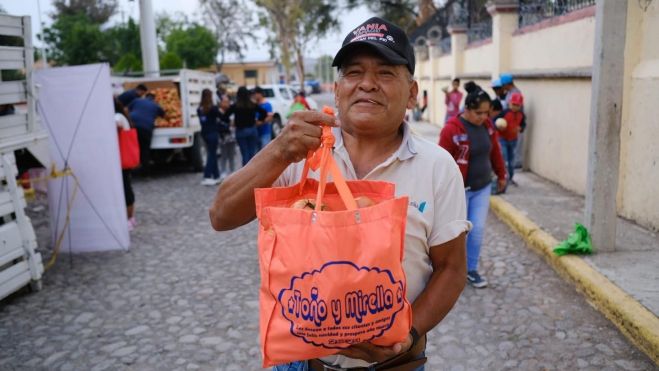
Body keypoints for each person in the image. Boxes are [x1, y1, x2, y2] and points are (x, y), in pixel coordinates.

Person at [210, 16, 470, 370]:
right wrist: (279, 152)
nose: (367, 84)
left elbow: (452, 270)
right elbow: (221, 216)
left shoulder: (437, 167)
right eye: (353, 72)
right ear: (337, 89)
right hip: (302, 363)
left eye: (385, 73)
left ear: (412, 93)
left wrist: (406, 334)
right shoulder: (299, 152)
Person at [439, 90, 507, 289]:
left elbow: (495, 152)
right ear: (467, 109)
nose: (483, 117)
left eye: (486, 113)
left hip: (482, 187)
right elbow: (440, 161)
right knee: (457, 233)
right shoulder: (451, 130)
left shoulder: (487, 127)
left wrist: (501, 174)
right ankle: (449, 270)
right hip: (459, 191)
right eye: (479, 113)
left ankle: (471, 270)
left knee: (477, 230)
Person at [223, 86, 268, 166]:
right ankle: (253, 170)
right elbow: (264, 113)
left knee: (244, 153)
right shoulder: (252, 104)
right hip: (252, 129)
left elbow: (225, 116)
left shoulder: (235, 105)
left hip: (240, 130)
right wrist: (259, 120)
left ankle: (246, 171)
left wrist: (231, 122)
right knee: (252, 152)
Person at [114, 97, 137, 230]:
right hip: (123, 159)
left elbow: (117, 125)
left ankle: (130, 218)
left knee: (125, 187)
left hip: (121, 159)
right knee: (126, 186)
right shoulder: (123, 115)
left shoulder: (117, 117)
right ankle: (130, 217)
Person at [127, 92, 165, 171]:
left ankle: (133, 165)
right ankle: (145, 167)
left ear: (145, 97)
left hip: (133, 126)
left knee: (135, 146)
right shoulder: (155, 105)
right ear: (153, 99)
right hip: (146, 127)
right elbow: (163, 114)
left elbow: (127, 109)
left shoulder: (136, 100)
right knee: (145, 148)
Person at [495, 92, 526, 186]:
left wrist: (521, 128)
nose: (515, 107)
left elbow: (523, 124)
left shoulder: (521, 115)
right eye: (513, 104)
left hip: (513, 140)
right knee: (503, 158)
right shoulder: (504, 113)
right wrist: (498, 127)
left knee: (512, 160)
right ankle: (503, 177)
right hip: (503, 139)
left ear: (520, 105)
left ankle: (511, 178)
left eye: (517, 105)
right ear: (509, 103)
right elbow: (495, 121)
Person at [197, 88, 222, 185]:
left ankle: (216, 176)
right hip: (213, 133)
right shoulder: (213, 108)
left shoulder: (200, 109)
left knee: (212, 153)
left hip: (204, 132)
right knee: (212, 155)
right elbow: (221, 117)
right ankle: (207, 176)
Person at [218, 95, 237, 180]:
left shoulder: (232, 111)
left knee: (232, 154)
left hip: (232, 136)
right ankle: (223, 171)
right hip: (223, 137)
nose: (227, 104)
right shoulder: (218, 112)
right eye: (224, 102)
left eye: (227, 102)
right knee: (224, 155)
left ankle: (233, 171)